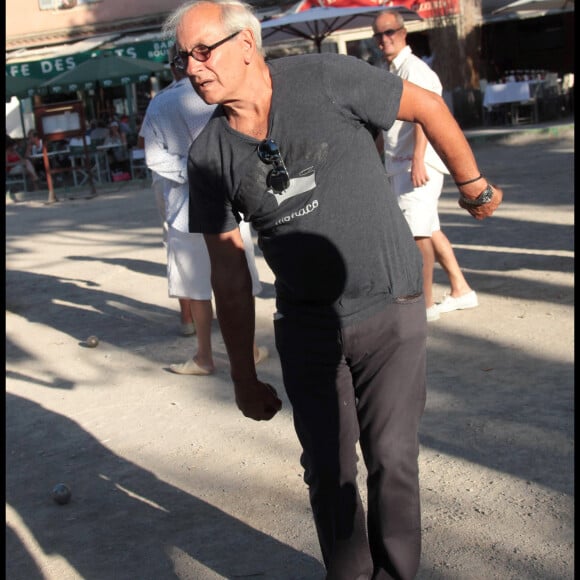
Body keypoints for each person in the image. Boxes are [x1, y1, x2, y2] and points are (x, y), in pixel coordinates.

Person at [164, 0, 502, 577]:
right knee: (327, 469)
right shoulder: (208, 156)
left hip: (390, 303)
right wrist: (243, 377)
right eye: (182, 60)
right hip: (309, 327)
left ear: (246, 44)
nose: (193, 69)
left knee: (392, 459)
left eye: (203, 52)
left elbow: (424, 105)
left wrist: (471, 184)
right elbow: (227, 270)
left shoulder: (323, 77)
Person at [139, 43, 268, 373]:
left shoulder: (160, 104)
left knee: (196, 287)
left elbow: (154, 159)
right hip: (230, 199)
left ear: (171, 68)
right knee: (238, 277)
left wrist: (190, 172)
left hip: (185, 208)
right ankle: (249, 348)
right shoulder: (223, 94)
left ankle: (204, 356)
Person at [373, 10, 478, 322]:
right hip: (400, 164)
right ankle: (461, 289)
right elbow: (385, 124)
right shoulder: (391, 70)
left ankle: (426, 305)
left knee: (418, 235)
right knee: (429, 230)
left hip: (415, 166)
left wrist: (418, 159)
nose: (384, 39)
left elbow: (426, 116)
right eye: (378, 34)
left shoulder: (416, 70)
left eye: (389, 32)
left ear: (403, 33)